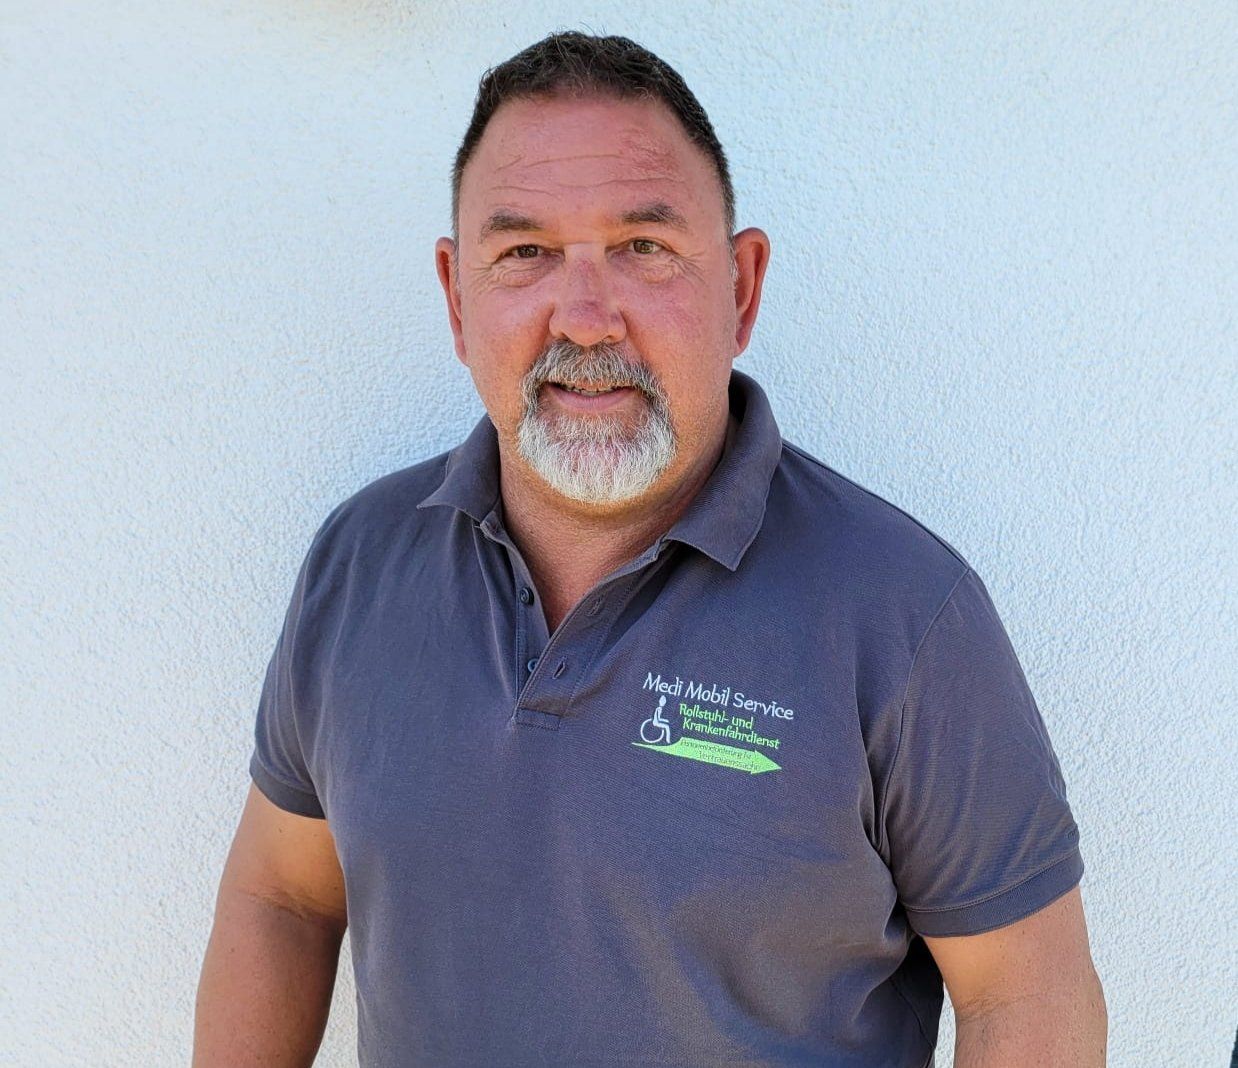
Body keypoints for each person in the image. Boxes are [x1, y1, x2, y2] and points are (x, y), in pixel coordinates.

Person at [194, 31, 1107, 1067]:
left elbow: (1025, 991)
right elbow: (283, 895)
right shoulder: (358, 563)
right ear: (456, 298)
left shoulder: (905, 614)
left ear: (740, 289)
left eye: (642, 247)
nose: (586, 320)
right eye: (525, 252)